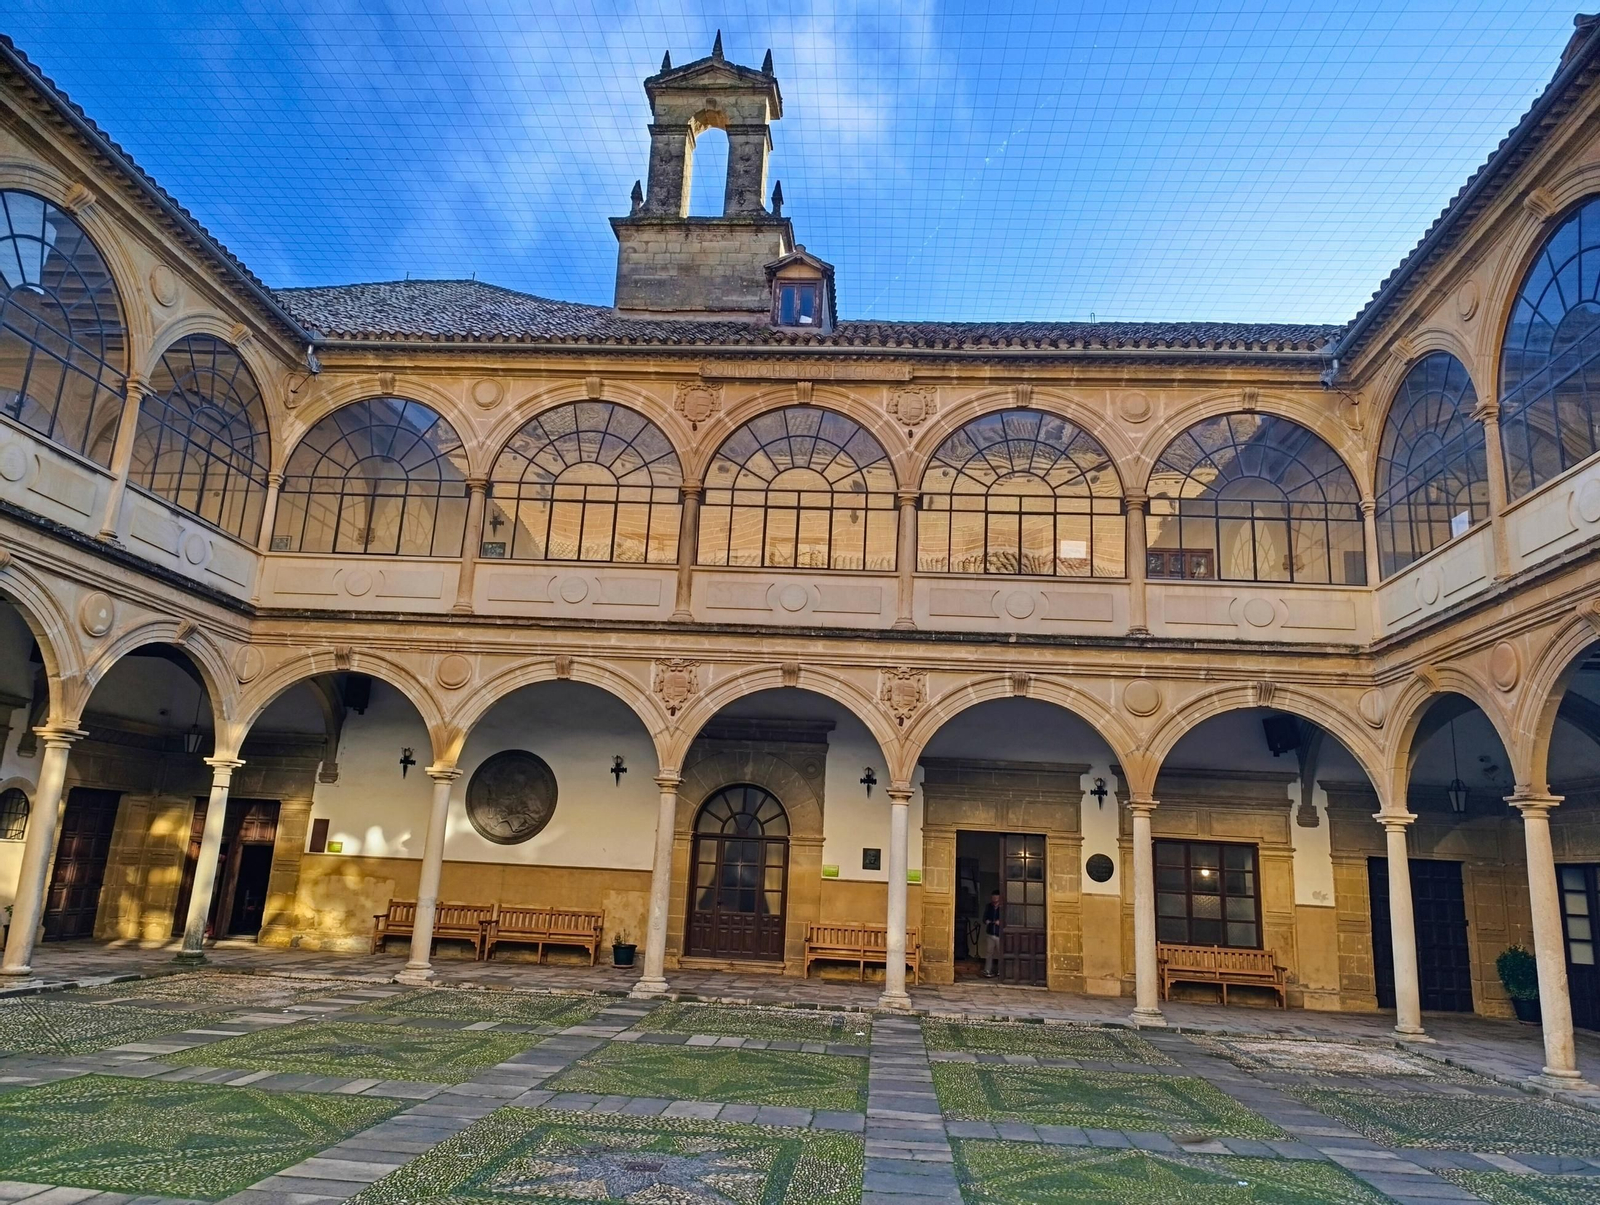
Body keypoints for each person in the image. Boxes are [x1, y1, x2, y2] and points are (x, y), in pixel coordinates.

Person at [982, 890, 1003, 978]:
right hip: (990, 933)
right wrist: (986, 921)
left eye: (996, 897)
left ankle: (1001, 972)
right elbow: (984, 918)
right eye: (993, 897)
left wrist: (1001, 922)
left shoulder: (1003, 907)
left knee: (1000, 953)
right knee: (989, 953)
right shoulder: (989, 906)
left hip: (999, 934)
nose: (994, 898)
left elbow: (1009, 918)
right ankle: (987, 971)